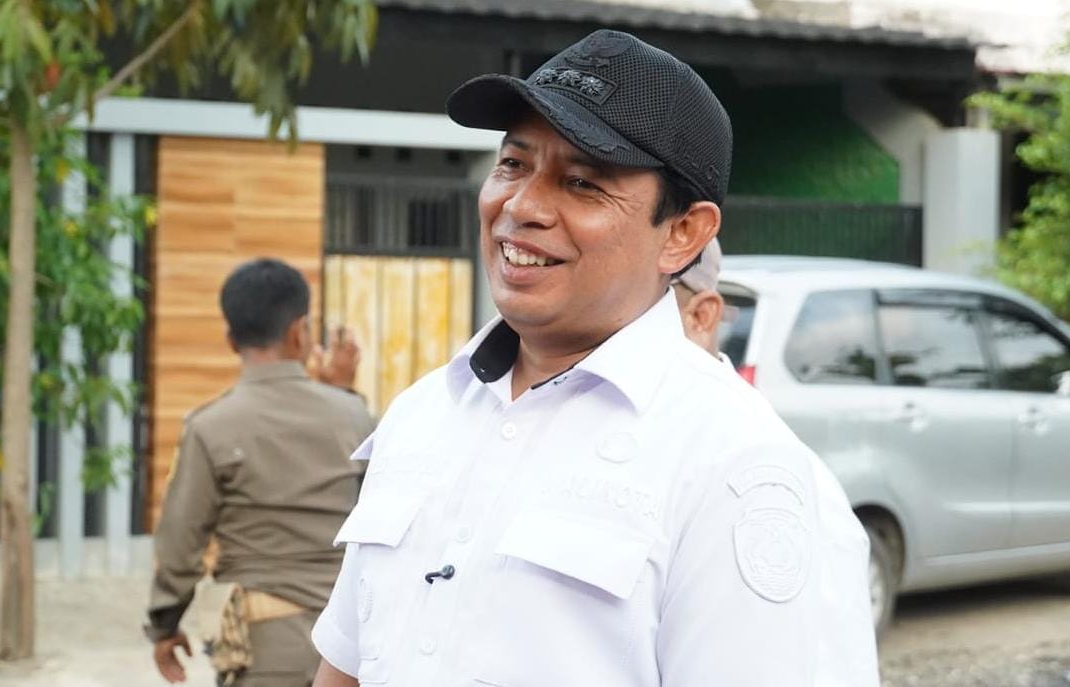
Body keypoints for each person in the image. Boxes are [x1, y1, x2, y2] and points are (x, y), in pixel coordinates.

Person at [312, 30, 880, 686]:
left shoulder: (735, 464)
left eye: (581, 182)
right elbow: (345, 666)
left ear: (683, 233)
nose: (521, 206)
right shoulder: (422, 414)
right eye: (512, 164)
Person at [146, 258, 376, 686]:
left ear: (231, 340)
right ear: (299, 331)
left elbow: (181, 541)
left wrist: (165, 624)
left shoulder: (209, 427)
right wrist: (341, 392)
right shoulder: (354, 416)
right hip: (352, 650)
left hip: (263, 650)